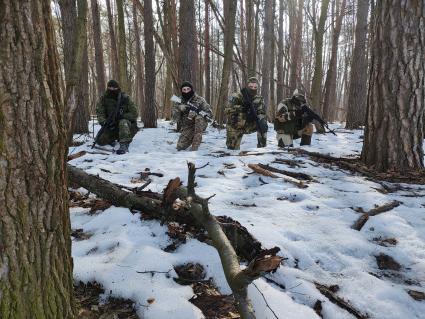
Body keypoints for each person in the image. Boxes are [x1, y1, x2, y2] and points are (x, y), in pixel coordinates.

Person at [95, 80, 139, 154]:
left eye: (114, 88)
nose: (112, 90)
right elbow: (100, 113)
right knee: (99, 141)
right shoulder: (103, 99)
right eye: (110, 88)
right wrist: (104, 122)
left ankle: (124, 144)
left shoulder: (125, 98)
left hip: (127, 126)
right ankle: (113, 139)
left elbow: (135, 114)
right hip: (112, 125)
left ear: (118, 88)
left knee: (123, 122)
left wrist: (122, 116)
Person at [225, 77, 268, 150]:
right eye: (251, 86)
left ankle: (262, 148)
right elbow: (227, 110)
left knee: (262, 124)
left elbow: (262, 112)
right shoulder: (236, 96)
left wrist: (261, 119)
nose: (253, 89)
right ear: (247, 86)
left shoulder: (259, 98)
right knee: (232, 150)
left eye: (255, 87)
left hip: (249, 124)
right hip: (235, 125)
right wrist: (242, 108)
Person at [172, 81, 212, 151]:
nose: (186, 91)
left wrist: (198, 114)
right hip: (188, 126)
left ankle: (195, 145)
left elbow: (210, 115)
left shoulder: (200, 100)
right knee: (180, 146)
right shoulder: (179, 100)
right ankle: (192, 136)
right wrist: (179, 108)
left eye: (188, 89)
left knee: (198, 118)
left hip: (200, 123)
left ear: (191, 89)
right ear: (181, 90)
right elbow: (175, 118)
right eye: (184, 89)